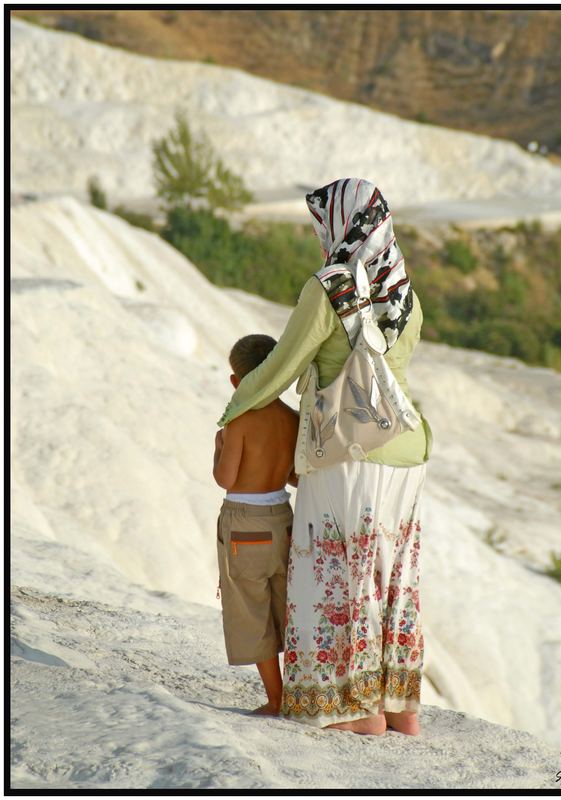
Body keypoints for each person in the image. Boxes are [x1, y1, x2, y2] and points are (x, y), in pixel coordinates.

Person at [218, 178, 432, 735]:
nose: (319, 240)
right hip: (406, 451)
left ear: (339, 226)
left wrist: (233, 409)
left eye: (322, 227)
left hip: (347, 452)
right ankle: (398, 712)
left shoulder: (330, 286)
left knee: (338, 574)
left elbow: (280, 368)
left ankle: (354, 715)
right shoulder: (404, 294)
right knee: (390, 578)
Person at [214, 333, 299, 716]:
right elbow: (296, 476)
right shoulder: (291, 419)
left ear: (237, 381)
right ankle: (303, 693)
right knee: (287, 607)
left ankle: (277, 698)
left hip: (244, 522)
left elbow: (226, 478)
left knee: (252, 609)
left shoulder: (240, 419)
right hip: (283, 518)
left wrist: (220, 446)